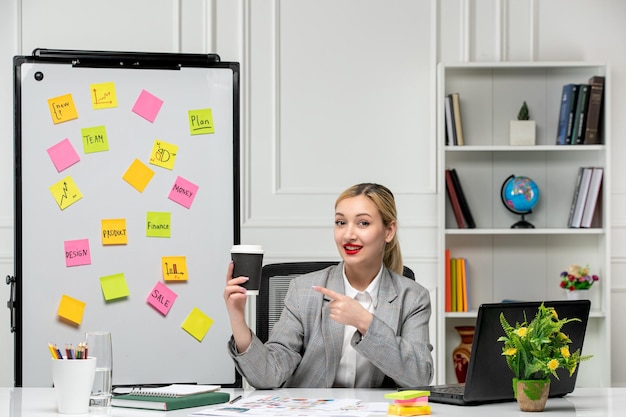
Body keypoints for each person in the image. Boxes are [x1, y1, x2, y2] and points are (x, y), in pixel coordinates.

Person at [223, 183, 433, 388]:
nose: (348, 234)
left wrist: (365, 322)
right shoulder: (303, 290)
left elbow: (419, 377)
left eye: (363, 223)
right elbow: (268, 376)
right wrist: (238, 318)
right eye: (341, 222)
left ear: (389, 231)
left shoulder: (413, 298)